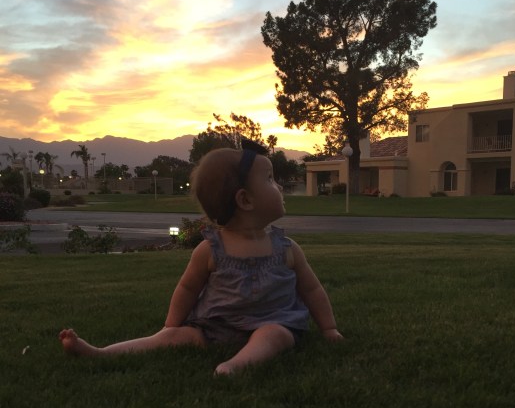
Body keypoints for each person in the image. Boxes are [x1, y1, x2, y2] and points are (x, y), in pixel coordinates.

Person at [59, 146, 343, 375]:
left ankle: (235, 365)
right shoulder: (210, 250)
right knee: (171, 338)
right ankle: (100, 352)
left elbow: (312, 290)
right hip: (213, 330)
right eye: (269, 178)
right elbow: (187, 288)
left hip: (274, 322)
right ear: (245, 200)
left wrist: (328, 328)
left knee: (274, 336)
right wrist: (171, 325)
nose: (279, 185)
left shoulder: (286, 248)